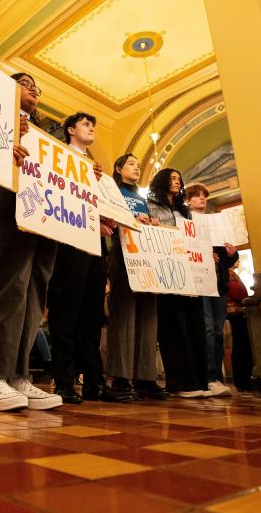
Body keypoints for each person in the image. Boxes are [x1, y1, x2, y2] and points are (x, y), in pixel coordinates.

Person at [0, 73, 61, 411]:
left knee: (34, 291)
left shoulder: (44, 135)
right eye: (24, 82)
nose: (33, 89)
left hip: (42, 210)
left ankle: (18, 375)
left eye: (36, 86)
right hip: (3, 197)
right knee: (8, 284)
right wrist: (0, 143)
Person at [47, 113, 132, 404]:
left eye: (92, 124)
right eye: (84, 124)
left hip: (96, 243)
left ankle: (95, 382)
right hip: (69, 239)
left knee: (91, 315)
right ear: (70, 130)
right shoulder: (58, 157)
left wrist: (108, 218)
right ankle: (63, 381)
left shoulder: (98, 173)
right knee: (65, 312)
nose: (91, 127)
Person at [105, 153, 167, 400]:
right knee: (125, 313)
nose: (136, 168)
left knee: (148, 314)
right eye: (131, 164)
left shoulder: (141, 197)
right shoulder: (112, 191)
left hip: (147, 256)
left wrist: (151, 222)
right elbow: (108, 218)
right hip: (122, 254)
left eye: (139, 165)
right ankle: (121, 377)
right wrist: (130, 219)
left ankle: (145, 377)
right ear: (118, 168)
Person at [147, 168, 210, 398]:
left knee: (194, 324)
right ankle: (180, 382)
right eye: (172, 178)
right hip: (169, 270)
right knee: (174, 325)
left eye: (178, 179)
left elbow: (193, 237)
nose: (177, 181)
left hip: (191, 271)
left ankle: (200, 381)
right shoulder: (151, 205)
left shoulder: (184, 209)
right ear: (162, 181)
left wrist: (205, 252)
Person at [185, 182, 237, 397]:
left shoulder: (218, 223)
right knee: (207, 328)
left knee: (217, 330)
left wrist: (232, 253)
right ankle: (208, 375)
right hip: (200, 282)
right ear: (188, 201)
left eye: (204, 196)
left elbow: (230, 259)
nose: (201, 199)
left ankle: (216, 375)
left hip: (219, 284)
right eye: (196, 196)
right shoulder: (187, 222)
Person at [225, 261, 253, 390]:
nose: (238, 261)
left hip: (234, 312)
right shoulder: (229, 274)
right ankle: (242, 381)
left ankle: (242, 380)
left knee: (239, 346)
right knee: (240, 346)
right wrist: (245, 298)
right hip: (235, 312)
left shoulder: (231, 273)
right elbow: (237, 292)